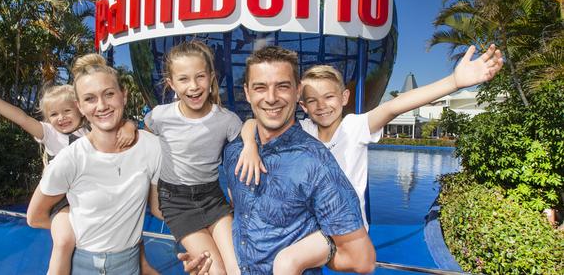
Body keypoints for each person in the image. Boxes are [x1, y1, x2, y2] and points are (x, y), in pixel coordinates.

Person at [239, 44, 504, 273]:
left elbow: (394, 106)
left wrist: (454, 82)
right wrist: (249, 145)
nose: (322, 106)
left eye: (329, 97)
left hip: (343, 227)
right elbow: (252, 122)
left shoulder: (355, 127)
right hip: (312, 223)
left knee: (286, 262)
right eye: (313, 100)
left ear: (344, 98)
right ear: (303, 105)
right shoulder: (304, 130)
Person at [222, 46, 376, 274]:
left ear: (297, 91)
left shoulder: (316, 163)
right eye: (260, 87)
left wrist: (297, 260)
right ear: (247, 92)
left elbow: (362, 259)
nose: (271, 98)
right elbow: (238, 212)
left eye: (282, 86)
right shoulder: (234, 152)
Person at [0, 69, 139, 275]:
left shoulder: (93, 129)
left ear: (79, 108)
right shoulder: (51, 134)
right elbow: (21, 118)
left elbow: (124, 124)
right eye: (53, 114)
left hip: (94, 195)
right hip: (64, 201)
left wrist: (130, 126)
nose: (61, 118)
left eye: (67, 111)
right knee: (63, 241)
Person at [25, 54, 161, 275]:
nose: (102, 105)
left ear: (123, 95)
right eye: (90, 99)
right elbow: (35, 217)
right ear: (80, 106)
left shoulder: (151, 147)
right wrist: (75, 231)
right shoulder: (69, 158)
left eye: (109, 94)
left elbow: (160, 208)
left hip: (130, 265)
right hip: (83, 265)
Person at [143, 40, 262, 275]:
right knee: (214, 270)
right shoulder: (160, 116)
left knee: (239, 266)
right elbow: (145, 146)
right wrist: (153, 191)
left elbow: (251, 123)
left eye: (200, 77)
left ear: (211, 78)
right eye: (184, 79)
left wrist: (249, 144)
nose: (194, 86)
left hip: (212, 198)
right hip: (177, 202)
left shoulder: (226, 119)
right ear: (171, 84)